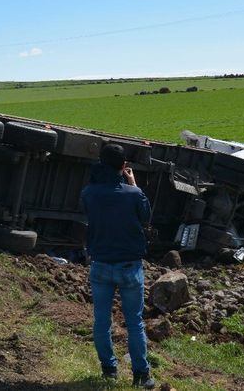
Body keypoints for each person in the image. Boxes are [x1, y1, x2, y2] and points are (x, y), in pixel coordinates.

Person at [80, 143, 155, 389]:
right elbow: (145, 216)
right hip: (129, 267)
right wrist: (133, 183)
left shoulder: (89, 193)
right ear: (124, 167)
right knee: (134, 322)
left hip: (101, 265)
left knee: (101, 321)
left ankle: (109, 370)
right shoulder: (133, 194)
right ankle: (141, 376)